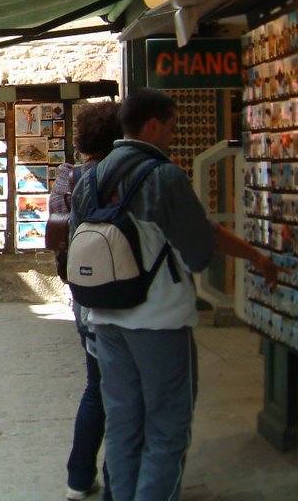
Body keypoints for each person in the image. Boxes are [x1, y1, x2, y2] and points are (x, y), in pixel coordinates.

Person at [70, 88, 282, 501]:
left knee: (123, 423)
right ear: (152, 125)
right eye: (171, 126)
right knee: (168, 429)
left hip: (105, 319)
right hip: (159, 320)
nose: (172, 134)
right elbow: (200, 251)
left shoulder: (89, 178)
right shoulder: (163, 175)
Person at [49, 101, 122, 501]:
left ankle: (78, 478)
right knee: (121, 390)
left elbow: (60, 224)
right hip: (122, 290)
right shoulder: (123, 175)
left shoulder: (69, 177)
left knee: (95, 386)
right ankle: (117, 478)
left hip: (84, 290)